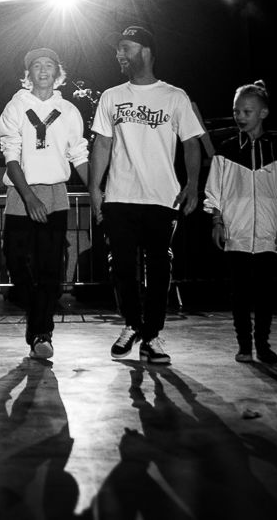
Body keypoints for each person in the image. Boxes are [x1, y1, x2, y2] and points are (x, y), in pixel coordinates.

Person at [89, 26, 204, 364]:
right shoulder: (111, 96)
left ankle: (151, 336)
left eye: (125, 47)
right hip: (120, 196)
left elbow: (192, 143)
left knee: (158, 270)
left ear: (146, 52)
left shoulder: (174, 96)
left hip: (161, 198)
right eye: (118, 49)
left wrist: (193, 184)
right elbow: (102, 144)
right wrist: (95, 188)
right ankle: (132, 325)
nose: (119, 54)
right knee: (121, 268)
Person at [0, 48, 89, 360]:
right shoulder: (15, 106)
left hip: (55, 193)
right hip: (21, 193)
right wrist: (29, 197)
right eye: (37, 65)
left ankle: (41, 333)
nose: (43, 70)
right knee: (14, 260)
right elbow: (10, 157)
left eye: (49, 65)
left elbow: (79, 154)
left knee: (50, 268)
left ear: (58, 72)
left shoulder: (69, 110)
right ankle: (38, 317)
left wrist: (97, 191)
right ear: (28, 74)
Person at [204, 80, 277, 363]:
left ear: (263, 113)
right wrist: (217, 222)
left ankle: (263, 345)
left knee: (265, 292)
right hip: (237, 230)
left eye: (247, 111)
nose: (240, 117)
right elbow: (215, 191)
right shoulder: (226, 149)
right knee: (240, 292)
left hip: (268, 231)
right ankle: (244, 345)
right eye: (237, 111)